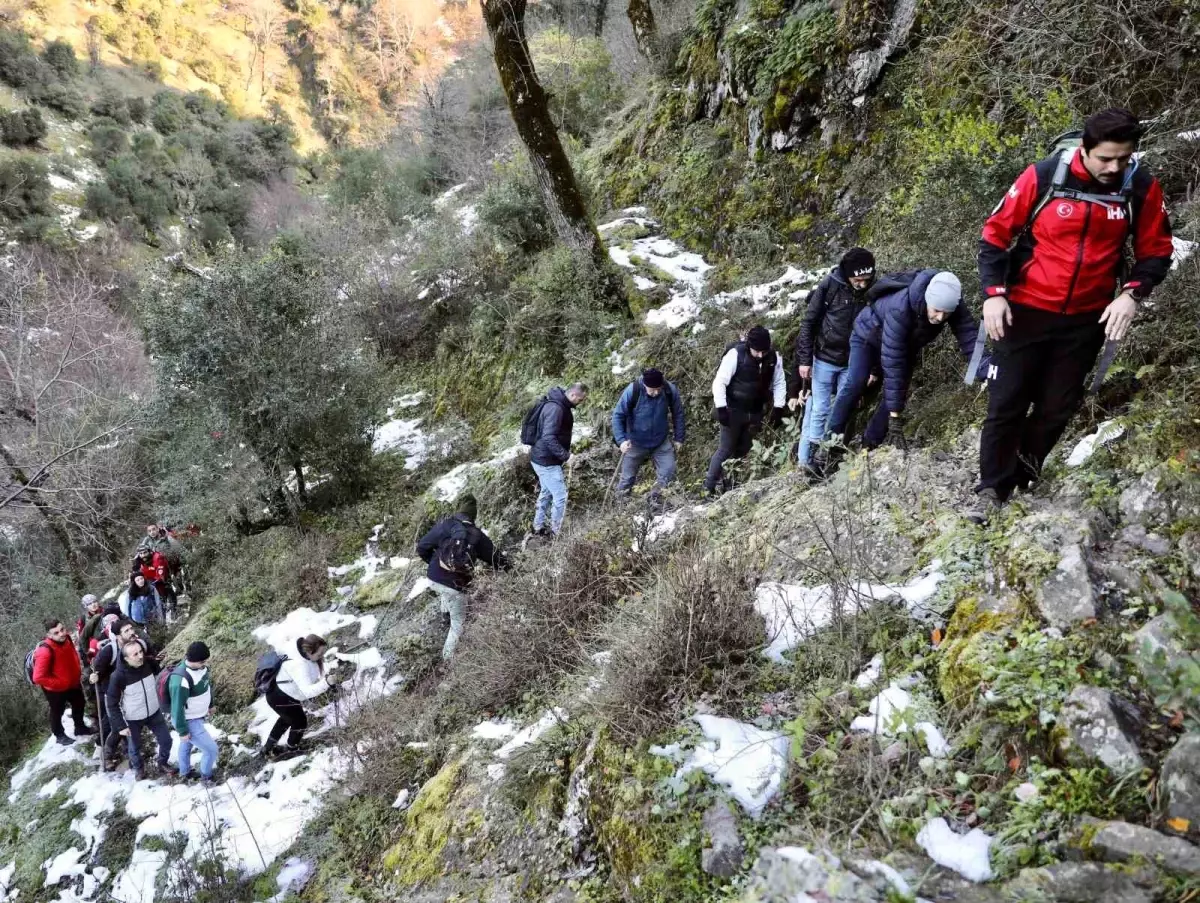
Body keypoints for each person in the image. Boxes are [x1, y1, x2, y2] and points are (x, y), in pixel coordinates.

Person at [971, 108, 1174, 521]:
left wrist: (1132, 294)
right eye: (1106, 158)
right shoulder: (1043, 176)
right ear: (1085, 148)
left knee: (1057, 406)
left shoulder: (1139, 187)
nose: (1114, 167)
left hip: (1087, 317)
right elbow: (994, 236)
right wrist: (994, 295)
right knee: (1007, 402)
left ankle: (1024, 474)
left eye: (1123, 158)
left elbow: (1157, 249)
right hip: (1024, 310)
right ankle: (991, 489)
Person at [823, 270, 982, 451]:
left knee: (900, 391)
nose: (940, 318)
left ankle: (869, 443)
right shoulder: (901, 307)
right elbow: (893, 363)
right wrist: (895, 415)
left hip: (902, 345)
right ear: (928, 300)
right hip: (867, 337)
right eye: (936, 311)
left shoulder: (952, 305)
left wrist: (984, 371)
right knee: (856, 383)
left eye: (946, 314)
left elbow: (970, 337)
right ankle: (829, 443)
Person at [790, 248, 877, 470]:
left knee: (844, 409)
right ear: (848, 274)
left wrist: (873, 368)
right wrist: (804, 360)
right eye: (858, 280)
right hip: (824, 359)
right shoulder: (830, 286)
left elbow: (879, 330)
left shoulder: (874, 290)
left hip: (853, 362)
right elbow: (809, 322)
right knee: (819, 410)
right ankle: (809, 461)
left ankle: (831, 458)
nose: (862, 284)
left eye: (866, 279)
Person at [416, 495, 510, 660]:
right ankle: (447, 661)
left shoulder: (445, 525)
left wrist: (434, 563)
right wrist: (512, 568)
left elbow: (422, 547)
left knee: (444, 590)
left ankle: (445, 615)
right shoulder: (477, 535)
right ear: (473, 515)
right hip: (456, 585)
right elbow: (496, 558)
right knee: (458, 623)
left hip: (433, 578)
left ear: (458, 511)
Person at [704, 325, 787, 496]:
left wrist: (778, 408)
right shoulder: (735, 355)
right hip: (732, 410)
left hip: (755, 413)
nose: (760, 355)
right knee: (726, 449)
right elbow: (719, 382)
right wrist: (721, 408)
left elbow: (779, 382)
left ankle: (730, 486)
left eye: (763, 351)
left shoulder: (774, 358)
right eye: (757, 351)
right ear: (749, 345)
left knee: (742, 451)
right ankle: (708, 488)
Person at [611, 367, 686, 504]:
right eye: (652, 390)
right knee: (627, 478)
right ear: (645, 385)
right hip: (634, 442)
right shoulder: (633, 390)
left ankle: (656, 500)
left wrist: (679, 438)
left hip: (660, 440)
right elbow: (618, 416)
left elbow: (678, 414)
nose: (656, 392)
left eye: (659, 389)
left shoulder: (669, 390)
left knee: (668, 471)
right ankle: (620, 505)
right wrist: (621, 441)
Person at [88, 619, 156, 768]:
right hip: (111, 694)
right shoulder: (109, 650)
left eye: (131, 629)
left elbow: (148, 660)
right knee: (120, 728)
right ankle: (114, 757)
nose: (132, 632)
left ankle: (123, 754)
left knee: (123, 727)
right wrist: (95, 676)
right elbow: (94, 669)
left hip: (132, 694)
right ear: (118, 636)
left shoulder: (139, 645)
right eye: (126, 631)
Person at [260, 634, 340, 759]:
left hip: (282, 693)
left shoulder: (307, 658)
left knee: (286, 719)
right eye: (319, 654)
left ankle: (267, 748)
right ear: (309, 651)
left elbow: (310, 679)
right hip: (279, 696)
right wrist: (326, 683)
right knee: (300, 721)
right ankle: (291, 748)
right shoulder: (299, 665)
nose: (322, 656)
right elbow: (307, 692)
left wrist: (325, 681)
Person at [529, 383, 589, 538]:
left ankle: (538, 525)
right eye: (581, 399)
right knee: (561, 496)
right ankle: (556, 534)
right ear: (573, 395)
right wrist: (566, 456)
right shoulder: (556, 409)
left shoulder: (559, 403)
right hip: (546, 461)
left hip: (542, 457)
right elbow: (548, 437)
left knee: (547, 492)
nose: (580, 402)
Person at [106, 638, 171, 780]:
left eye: (141, 651)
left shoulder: (149, 663)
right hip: (133, 717)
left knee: (166, 740)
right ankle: (138, 769)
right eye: (135, 654)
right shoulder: (118, 676)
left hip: (154, 712)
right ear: (126, 658)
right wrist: (121, 726)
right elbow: (111, 703)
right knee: (134, 747)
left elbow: (160, 680)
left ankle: (162, 763)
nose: (140, 656)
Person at [31, 619, 96, 746]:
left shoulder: (67, 639)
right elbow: (38, 677)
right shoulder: (45, 651)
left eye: (62, 629)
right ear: (49, 635)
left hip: (72, 683)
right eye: (56, 633)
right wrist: (60, 683)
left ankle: (80, 728)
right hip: (55, 689)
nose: (61, 634)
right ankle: (59, 735)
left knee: (79, 704)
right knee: (57, 712)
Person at [170, 642, 217, 784]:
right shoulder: (181, 680)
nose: (205, 664)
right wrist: (183, 731)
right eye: (203, 661)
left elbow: (206, 686)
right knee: (211, 750)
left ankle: (185, 772)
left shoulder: (202, 668)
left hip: (197, 716)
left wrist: (210, 704)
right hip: (188, 720)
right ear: (195, 661)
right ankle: (206, 777)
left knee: (186, 745)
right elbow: (176, 708)